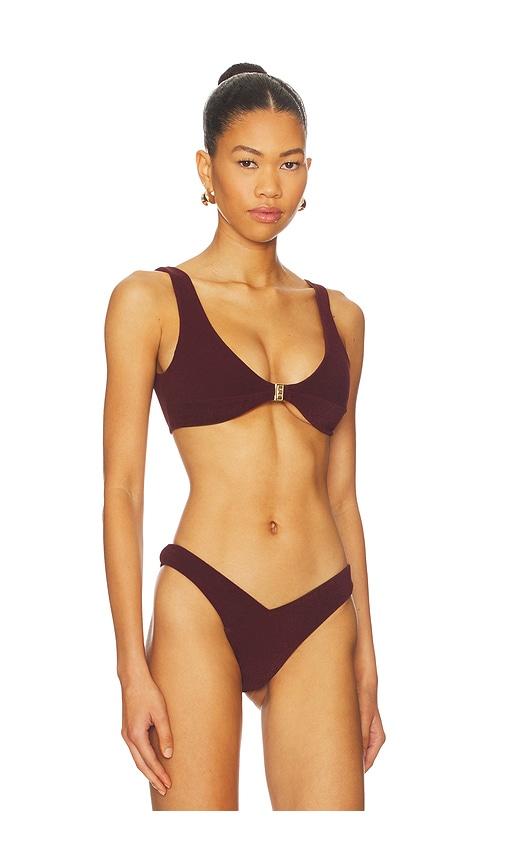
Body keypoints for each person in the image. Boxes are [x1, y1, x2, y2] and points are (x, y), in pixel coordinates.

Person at [103, 62, 385, 811]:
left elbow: (343, 496)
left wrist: (367, 657)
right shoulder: (150, 301)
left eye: (288, 164)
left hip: (320, 605)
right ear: (207, 170)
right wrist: (130, 667)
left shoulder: (342, 317)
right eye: (248, 162)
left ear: (308, 172)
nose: (270, 187)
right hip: (205, 598)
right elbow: (122, 491)